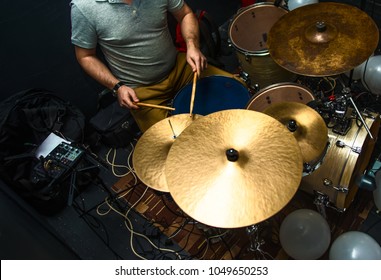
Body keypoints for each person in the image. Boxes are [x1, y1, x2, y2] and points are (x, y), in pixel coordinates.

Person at [70, 0, 241, 132]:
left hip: (181, 68)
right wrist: (117, 86)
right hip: (141, 92)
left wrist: (192, 46)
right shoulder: (84, 8)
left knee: (237, 91)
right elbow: (85, 56)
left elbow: (185, 14)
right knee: (178, 143)